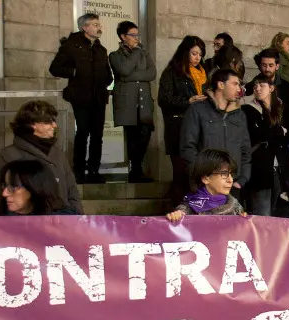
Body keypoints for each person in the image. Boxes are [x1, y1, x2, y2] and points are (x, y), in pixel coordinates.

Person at [49, 13, 113, 184]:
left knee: (97, 135)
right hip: (81, 97)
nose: (99, 27)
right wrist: (74, 72)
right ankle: (78, 171)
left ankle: (94, 170)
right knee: (83, 132)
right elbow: (54, 68)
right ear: (85, 27)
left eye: (99, 24)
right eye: (94, 24)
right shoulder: (71, 46)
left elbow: (107, 73)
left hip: (99, 97)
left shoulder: (101, 49)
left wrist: (107, 80)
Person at [0, 101, 83, 214]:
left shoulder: (57, 153)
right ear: (33, 124)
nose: (54, 125)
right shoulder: (9, 155)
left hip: (64, 221)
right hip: (31, 226)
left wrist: (77, 216)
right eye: (49, 121)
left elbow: (72, 190)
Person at [180, 68, 252, 190]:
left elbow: (245, 150)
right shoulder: (198, 110)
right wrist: (200, 176)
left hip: (232, 185)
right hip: (205, 185)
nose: (239, 89)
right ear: (221, 85)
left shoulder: (239, 115)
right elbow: (187, 146)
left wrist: (242, 179)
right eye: (235, 84)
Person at [159, 35, 207, 206]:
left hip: (199, 129)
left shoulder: (203, 73)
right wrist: (188, 101)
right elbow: (164, 99)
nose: (197, 58)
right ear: (185, 52)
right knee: (181, 173)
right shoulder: (172, 72)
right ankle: (177, 210)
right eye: (194, 53)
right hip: (178, 127)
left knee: (197, 175)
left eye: (200, 55)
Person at [108, 21, 156, 183]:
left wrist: (129, 78)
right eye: (133, 35)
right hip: (128, 102)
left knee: (145, 132)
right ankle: (135, 169)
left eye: (137, 35)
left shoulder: (145, 53)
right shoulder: (115, 56)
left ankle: (137, 166)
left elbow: (151, 73)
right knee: (133, 135)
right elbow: (123, 70)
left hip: (144, 102)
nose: (136, 38)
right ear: (123, 37)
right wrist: (135, 53)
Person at [241, 74, 289, 216]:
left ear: (271, 88)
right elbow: (258, 134)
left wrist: (277, 132)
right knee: (262, 211)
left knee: (277, 208)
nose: (258, 88)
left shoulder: (279, 108)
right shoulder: (248, 109)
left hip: (278, 165)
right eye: (255, 86)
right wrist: (279, 131)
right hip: (259, 165)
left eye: (262, 85)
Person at [166, 149, 246, 221]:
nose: (230, 180)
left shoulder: (235, 207)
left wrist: (244, 220)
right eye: (224, 174)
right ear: (205, 178)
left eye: (231, 174)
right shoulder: (188, 208)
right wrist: (175, 217)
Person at [0, 160, 78, 215]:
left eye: (13, 187)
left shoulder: (69, 223)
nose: (4, 193)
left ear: (34, 188)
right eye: (4, 186)